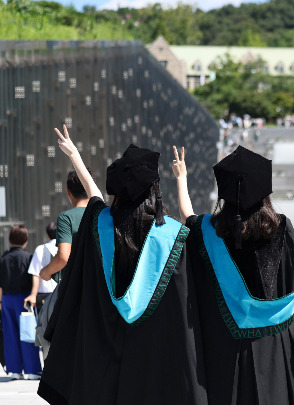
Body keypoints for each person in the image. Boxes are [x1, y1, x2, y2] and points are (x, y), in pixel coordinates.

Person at [38, 126, 207, 404]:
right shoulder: (173, 237)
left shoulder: (100, 226)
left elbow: (94, 199)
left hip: (103, 357)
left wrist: (75, 156)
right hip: (154, 361)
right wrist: (182, 179)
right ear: (155, 188)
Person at [174, 145, 294, 404]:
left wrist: (181, 178)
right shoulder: (282, 227)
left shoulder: (208, 232)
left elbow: (188, 217)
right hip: (274, 344)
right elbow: (290, 277)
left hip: (227, 348)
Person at [0, 225, 42, 380]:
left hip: (6, 299)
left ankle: (15, 370)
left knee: (10, 335)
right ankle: (31, 370)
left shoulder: (3, 258)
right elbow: (33, 277)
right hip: (24, 300)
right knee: (28, 333)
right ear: (26, 239)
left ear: (10, 239)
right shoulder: (28, 257)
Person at [39, 170, 89, 282]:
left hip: (77, 288)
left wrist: (46, 272)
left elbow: (63, 257)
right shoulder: (105, 214)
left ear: (68, 190)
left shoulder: (66, 218)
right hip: (105, 288)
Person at [24, 222, 58, 315]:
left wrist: (33, 295)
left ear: (47, 235)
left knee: (44, 326)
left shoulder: (40, 249)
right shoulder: (68, 249)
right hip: (63, 293)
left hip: (44, 296)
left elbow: (36, 274)